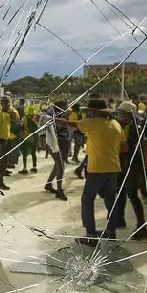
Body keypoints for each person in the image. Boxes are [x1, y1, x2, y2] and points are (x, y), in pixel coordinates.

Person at [58, 97, 126, 244]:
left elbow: (69, 124)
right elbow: (124, 147)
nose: (88, 112)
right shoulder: (115, 124)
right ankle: (110, 232)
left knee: (87, 200)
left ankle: (91, 235)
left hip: (97, 169)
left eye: (89, 110)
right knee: (111, 202)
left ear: (94, 111)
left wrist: (51, 118)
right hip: (113, 168)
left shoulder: (93, 123)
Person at [112, 101, 147, 240]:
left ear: (127, 115)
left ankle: (142, 227)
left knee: (132, 195)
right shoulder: (130, 125)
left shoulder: (134, 128)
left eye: (120, 113)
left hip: (132, 166)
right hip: (126, 165)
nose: (118, 116)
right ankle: (120, 219)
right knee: (120, 192)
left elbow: (129, 149)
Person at [44, 103, 67, 200]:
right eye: (64, 108)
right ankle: (59, 190)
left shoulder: (58, 117)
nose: (65, 110)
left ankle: (48, 185)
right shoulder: (50, 119)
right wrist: (55, 148)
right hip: (55, 146)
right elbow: (51, 135)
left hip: (61, 145)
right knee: (60, 167)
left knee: (57, 166)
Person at [18, 106, 39, 175]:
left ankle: (25, 168)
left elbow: (22, 127)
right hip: (34, 138)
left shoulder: (24, 118)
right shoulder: (36, 118)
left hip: (26, 137)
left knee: (24, 153)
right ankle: (34, 167)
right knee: (33, 153)